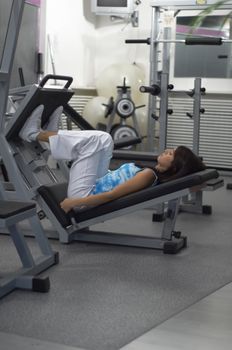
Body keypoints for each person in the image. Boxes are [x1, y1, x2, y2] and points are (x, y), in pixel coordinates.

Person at [19, 105, 206, 213]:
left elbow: (111, 196)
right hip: (97, 183)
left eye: (171, 154)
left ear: (174, 168)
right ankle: (49, 136)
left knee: (95, 140)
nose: (166, 151)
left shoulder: (148, 175)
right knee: (105, 139)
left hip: (84, 196)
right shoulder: (150, 173)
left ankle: (34, 134)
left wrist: (72, 203)